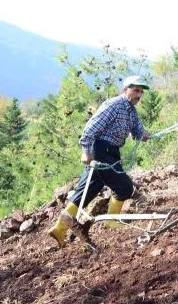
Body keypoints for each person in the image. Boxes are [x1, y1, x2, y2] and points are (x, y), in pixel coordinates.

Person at [48, 74, 152, 248]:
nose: (139, 95)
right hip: (101, 151)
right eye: (136, 90)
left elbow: (137, 128)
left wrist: (144, 134)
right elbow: (89, 129)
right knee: (124, 187)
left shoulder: (131, 111)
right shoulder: (113, 105)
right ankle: (111, 221)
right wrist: (87, 152)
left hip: (111, 152)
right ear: (126, 90)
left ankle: (59, 229)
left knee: (88, 190)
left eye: (141, 91)